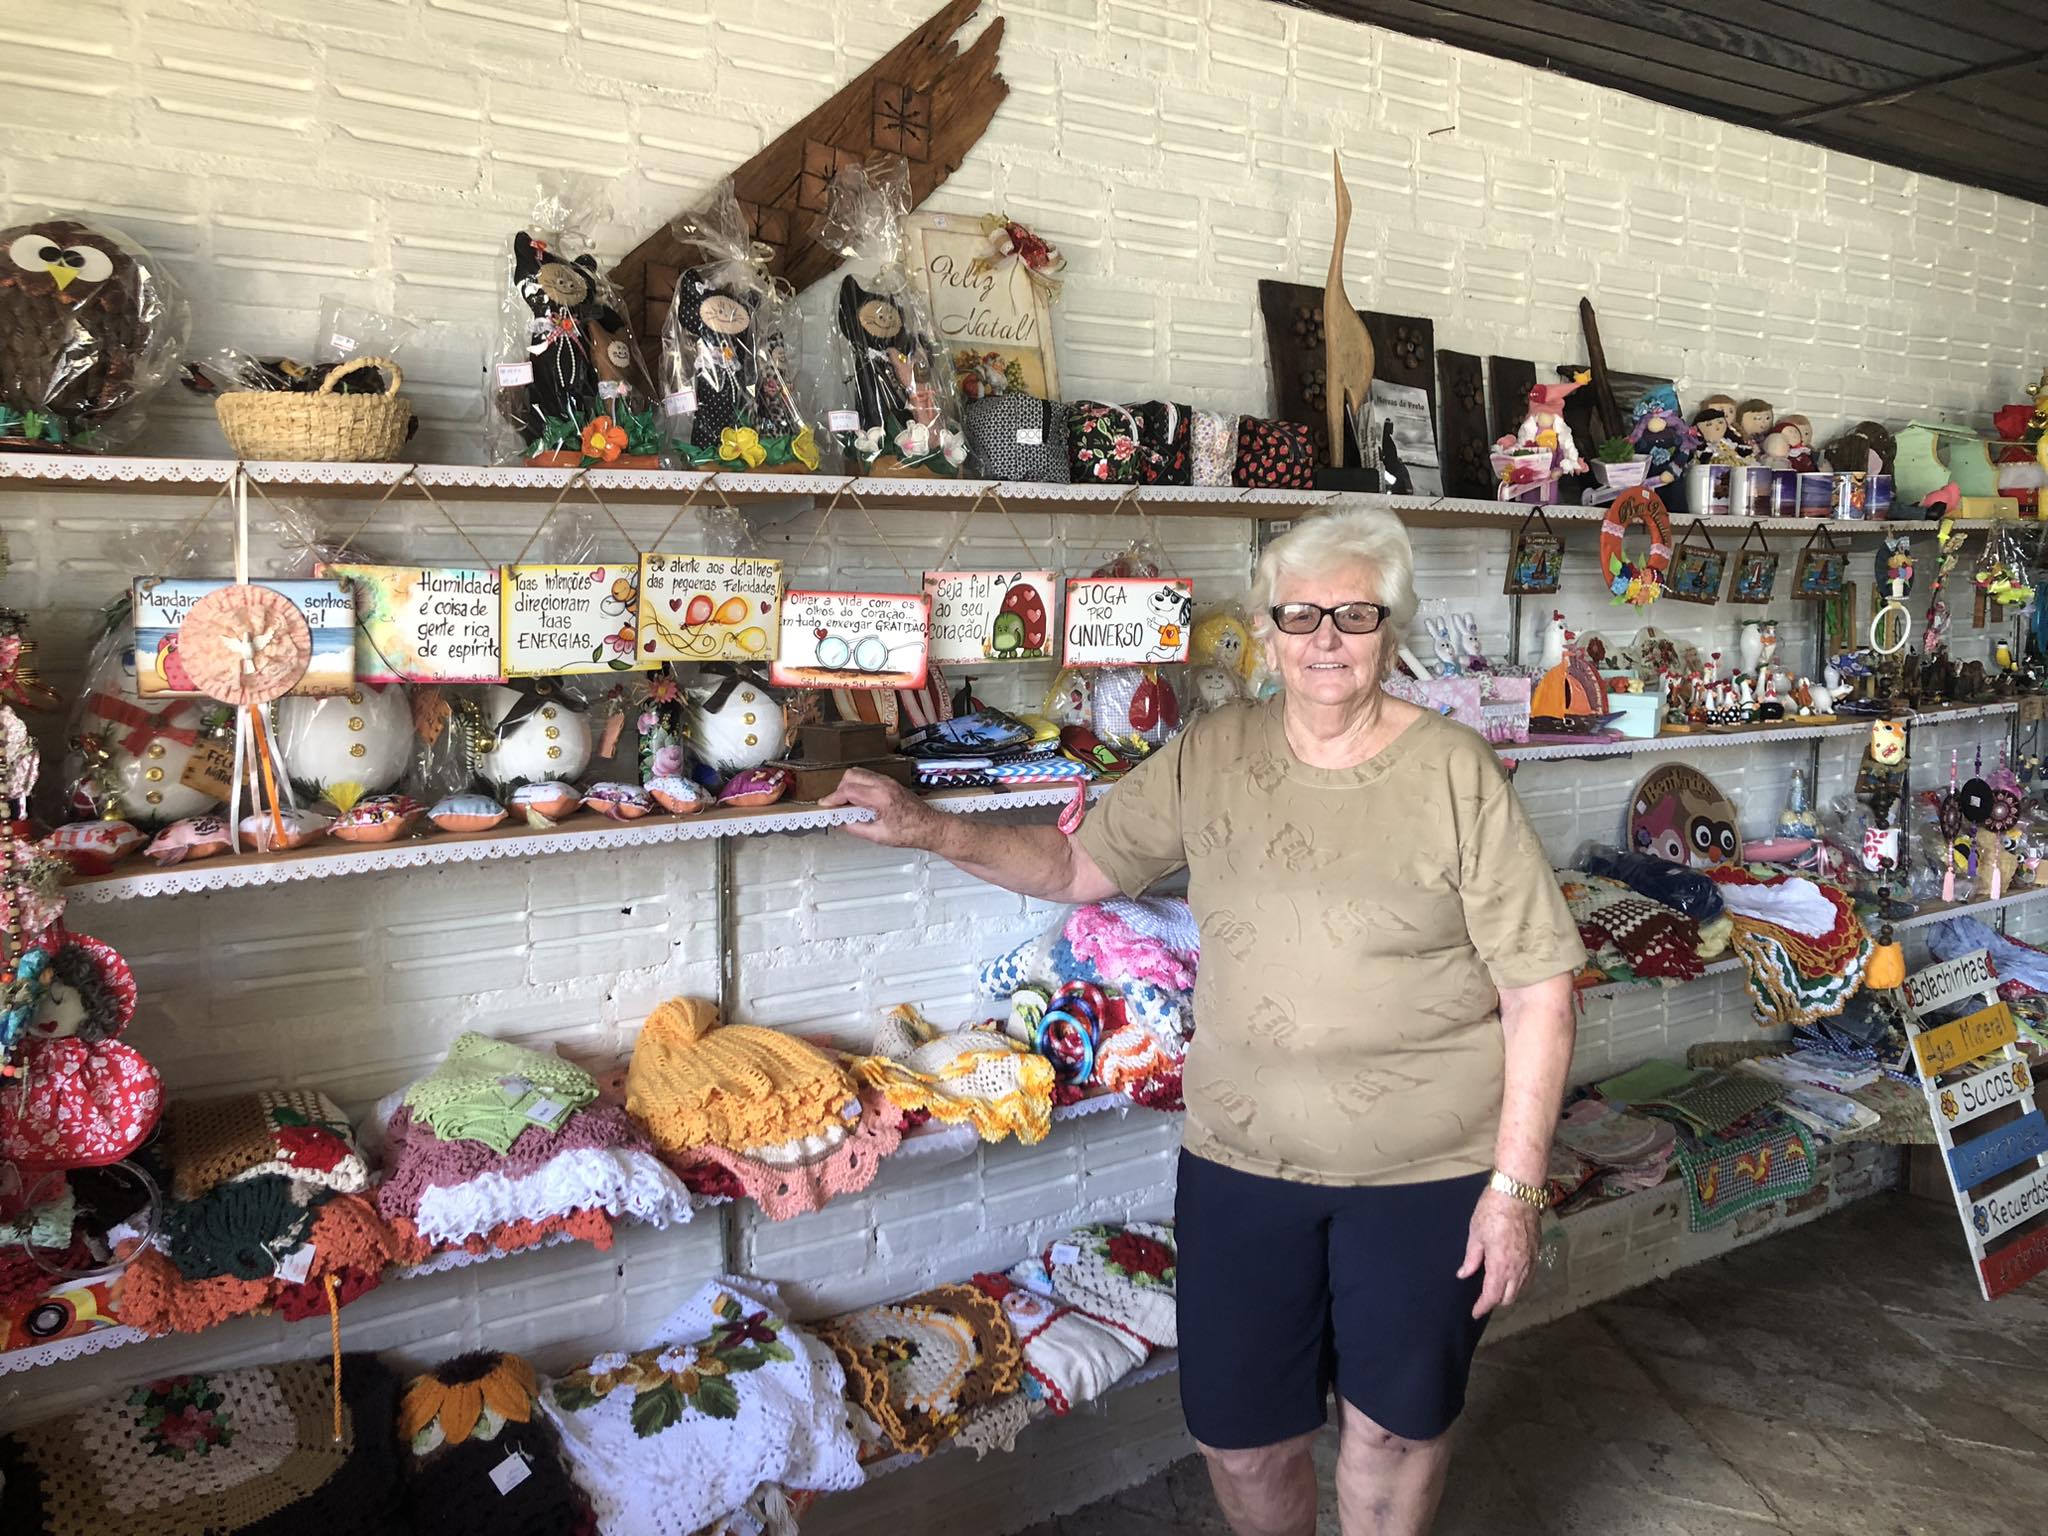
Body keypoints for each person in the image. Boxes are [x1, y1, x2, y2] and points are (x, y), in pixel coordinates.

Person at [821, 507, 1585, 1536]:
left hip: (1424, 1173)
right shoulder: (1211, 752)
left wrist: (1513, 1190)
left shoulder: (1455, 770)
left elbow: (1537, 989)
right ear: (1266, 632)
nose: (1325, 638)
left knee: (1393, 1432)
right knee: (1239, 1436)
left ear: (1390, 629)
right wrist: (929, 829)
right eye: (1300, 614)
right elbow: (1075, 866)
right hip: (1241, 1163)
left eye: (1354, 615)